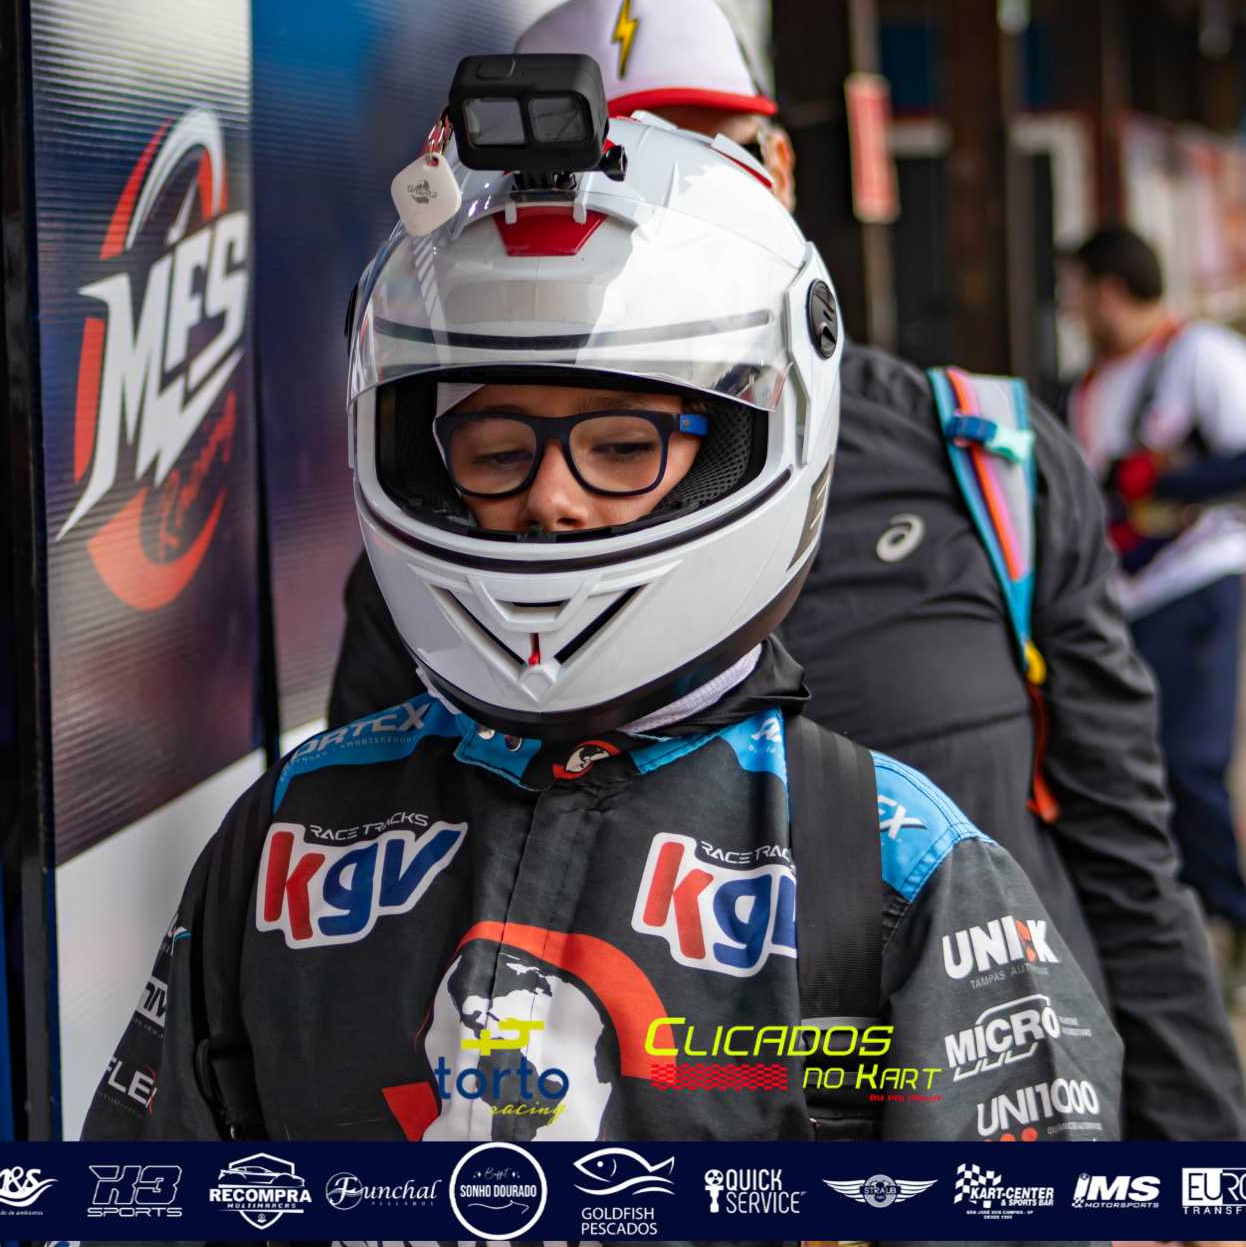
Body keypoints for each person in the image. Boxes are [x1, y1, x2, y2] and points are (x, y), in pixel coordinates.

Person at [84, 89, 1122, 1174]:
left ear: (745, 446)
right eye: (495, 452)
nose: (552, 500)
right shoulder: (290, 833)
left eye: (624, 447)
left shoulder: (896, 863)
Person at [329, 0, 1246, 1140]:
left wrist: (1202, 1169)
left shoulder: (985, 459)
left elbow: (1124, 854)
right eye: (622, 157)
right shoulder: (459, 540)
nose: (656, 197)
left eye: (706, 152)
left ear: (782, 167)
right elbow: (369, 878)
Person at [1064, 225, 1246, 1011]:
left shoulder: (1202, 357)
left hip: (1195, 584)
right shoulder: (1087, 386)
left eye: (1076, 291)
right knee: (1130, 771)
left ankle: (1241, 924)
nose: (1071, 308)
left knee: (1193, 764)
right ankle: (1172, 931)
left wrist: (1164, 486)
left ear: (1107, 289)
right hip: (1116, 599)